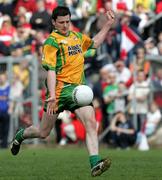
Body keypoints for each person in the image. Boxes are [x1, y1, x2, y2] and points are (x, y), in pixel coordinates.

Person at [11, 6, 115, 177]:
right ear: (53, 22)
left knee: (90, 121)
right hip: (58, 93)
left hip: (78, 90)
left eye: (68, 21)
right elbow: (51, 70)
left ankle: (95, 163)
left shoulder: (76, 36)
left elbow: (94, 43)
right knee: (43, 132)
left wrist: (108, 25)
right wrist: (51, 95)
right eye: (62, 22)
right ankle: (21, 135)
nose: (66, 25)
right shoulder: (51, 42)